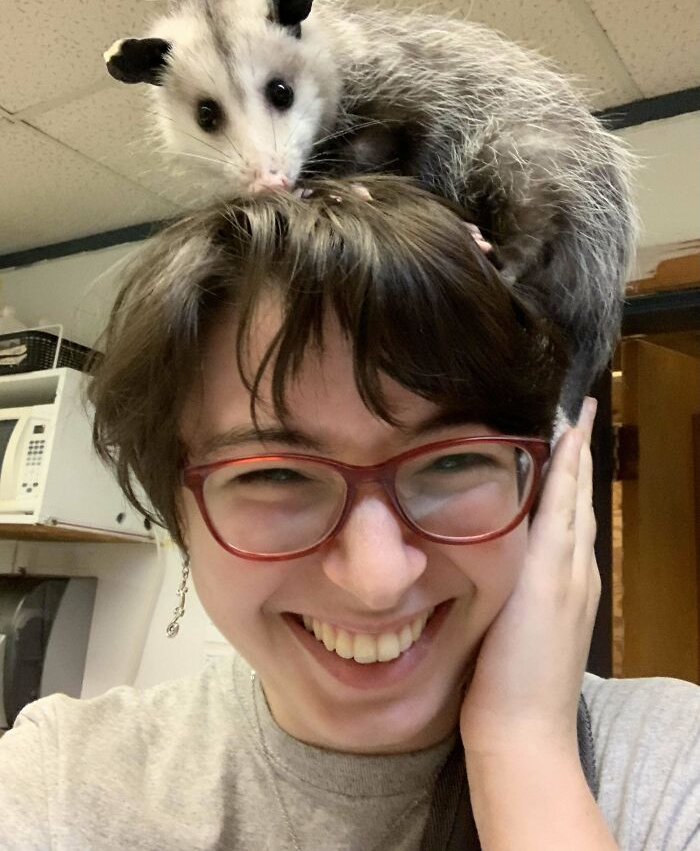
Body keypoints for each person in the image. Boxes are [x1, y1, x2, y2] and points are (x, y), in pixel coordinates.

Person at [1, 178, 697, 851]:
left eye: (451, 462)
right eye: (276, 473)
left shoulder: (673, 767)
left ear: (546, 491)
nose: (378, 578)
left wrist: (524, 753)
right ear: (176, 510)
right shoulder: (58, 785)